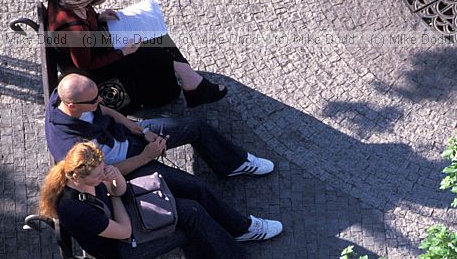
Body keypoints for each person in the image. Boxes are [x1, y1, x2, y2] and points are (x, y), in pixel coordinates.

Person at [45, 74, 283, 243]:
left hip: (126, 136)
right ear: (72, 106)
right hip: (127, 168)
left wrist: (140, 130)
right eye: (93, 101)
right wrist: (146, 156)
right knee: (197, 188)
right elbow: (107, 174)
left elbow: (104, 111)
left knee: (194, 127)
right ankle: (242, 229)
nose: (99, 101)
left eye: (97, 95)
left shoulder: (70, 99)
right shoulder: (71, 147)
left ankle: (233, 164)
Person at [39, 142, 280, 259]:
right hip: (122, 249)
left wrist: (115, 177)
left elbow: (119, 190)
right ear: (76, 177)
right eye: (98, 174)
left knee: (190, 210)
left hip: (123, 219)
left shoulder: (87, 176)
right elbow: (124, 231)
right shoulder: (77, 209)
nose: (103, 174)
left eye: (104, 168)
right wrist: (114, 196)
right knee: (190, 223)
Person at [46, 0, 227, 111]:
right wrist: (122, 53)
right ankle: (185, 88)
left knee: (155, 35)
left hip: (92, 44)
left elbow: (82, 22)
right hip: (93, 67)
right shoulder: (77, 30)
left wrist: (98, 18)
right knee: (153, 49)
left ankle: (192, 82)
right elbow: (85, 65)